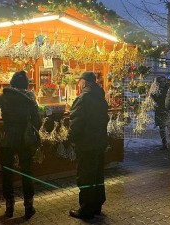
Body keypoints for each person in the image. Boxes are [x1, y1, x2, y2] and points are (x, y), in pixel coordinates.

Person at [0, 70, 42, 219]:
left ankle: (9, 207)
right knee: (27, 172)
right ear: (26, 84)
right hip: (25, 139)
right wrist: (32, 128)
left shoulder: (5, 97)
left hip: (6, 138)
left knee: (7, 172)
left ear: (12, 83)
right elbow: (38, 120)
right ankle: (29, 207)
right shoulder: (30, 98)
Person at [68, 71, 109, 219]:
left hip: (86, 144)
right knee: (97, 175)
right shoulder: (100, 96)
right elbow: (106, 118)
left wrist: (72, 138)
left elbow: (76, 121)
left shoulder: (84, 97)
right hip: (99, 142)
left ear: (84, 82)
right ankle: (97, 206)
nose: (79, 84)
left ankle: (85, 209)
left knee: (85, 176)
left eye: (80, 81)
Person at [151, 76, 170, 150]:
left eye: (164, 81)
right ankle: (164, 144)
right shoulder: (156, 89)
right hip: (159, 110)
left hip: (167, 110)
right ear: (158, 82)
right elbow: (155, 99)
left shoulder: (168, 88)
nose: (163, 83)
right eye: (161, 81)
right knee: (162, 128)